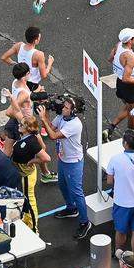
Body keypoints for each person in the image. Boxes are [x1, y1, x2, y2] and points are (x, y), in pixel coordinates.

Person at [39, 97, 91, 240]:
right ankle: (71, 208)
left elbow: (53, 135)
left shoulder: (75, 125)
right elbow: (51, 127)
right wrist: (46, 112)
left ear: (73, 111)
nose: (63, 108)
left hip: (73, 162)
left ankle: (85, 222)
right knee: (62, 185)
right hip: (63, 159)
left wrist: (43, 119)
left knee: (77, 193)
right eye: (64, 106)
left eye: (66, 108)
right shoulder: (62, 117)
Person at [102, 28, 134, 141]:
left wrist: (120, 67)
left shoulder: (118, 45)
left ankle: (110, 128)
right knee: (133, 112)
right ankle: (131, 137)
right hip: (129, 87)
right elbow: (126, 79)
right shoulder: (131, 57)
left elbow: (110, 59)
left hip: (119, 84)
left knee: (128, 107)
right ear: (130, 41)